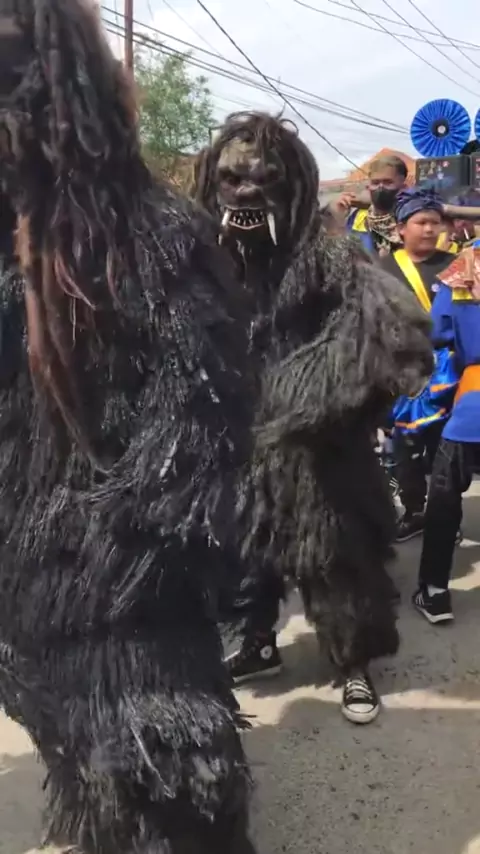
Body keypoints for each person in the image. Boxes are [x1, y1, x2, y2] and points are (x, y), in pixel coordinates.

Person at [0, 4, 259, 853]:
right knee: (80, 754)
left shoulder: (149, 236)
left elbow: (204, 422)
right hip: (25, 585)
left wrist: (116, 552)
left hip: (126, 589)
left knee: (167, 781)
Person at [190, 111, 433, 724]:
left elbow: (393, 334)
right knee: (243, 559)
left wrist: (304, 397)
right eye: (233, 180)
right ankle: (257, 643)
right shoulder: (202, 264)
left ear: (291, 187)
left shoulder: (328, 254)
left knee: (335, 561)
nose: (247, 193)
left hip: (319, 453)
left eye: (263, 180)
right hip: (240, 449)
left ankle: (353, 664)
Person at [380, 188, 458, 543]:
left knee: (446, 450)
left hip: (448, 371)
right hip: (401, 371)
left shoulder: (457, 265)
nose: (429, 229)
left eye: (435, 222)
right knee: (404, 447)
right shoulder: (382, 269)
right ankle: (415, 511)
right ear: (401, 229)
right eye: (421, 222)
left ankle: (446, 516)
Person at [414, 242, 480, 623]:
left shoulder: (464, 269)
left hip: (473, 407)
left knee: (443, 497)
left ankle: (435, 590)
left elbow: (437, 332)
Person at [333, 154, 408, 256]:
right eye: (375, 183)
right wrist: (336, 217)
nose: (380, 188)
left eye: (388, 182)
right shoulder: (357, 218)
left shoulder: (412, 219)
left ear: (404, 187)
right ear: (368, 187)